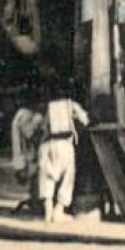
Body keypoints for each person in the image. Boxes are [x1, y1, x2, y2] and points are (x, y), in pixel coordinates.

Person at [38, 88, 91, 223]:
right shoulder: (71, 105)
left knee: (48, 177)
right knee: (67, 177)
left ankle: (47, 210)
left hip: (48, 144)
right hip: (65, 144)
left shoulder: (49, 107)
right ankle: (59, 210)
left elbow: (42, 126)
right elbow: (85, 121)